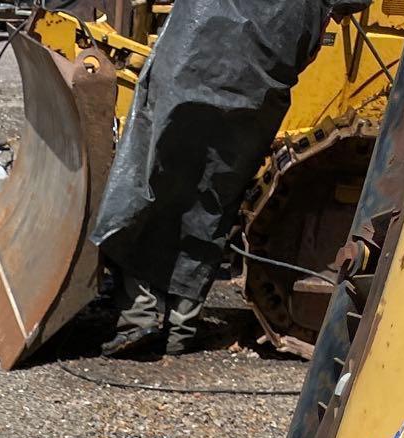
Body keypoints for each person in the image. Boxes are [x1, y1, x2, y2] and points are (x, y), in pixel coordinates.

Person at [91, 0, 336, 356]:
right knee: (214, 199)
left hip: (190, 63)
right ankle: (180, 328)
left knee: (150, 182)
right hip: (257, 85)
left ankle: (138, 316)